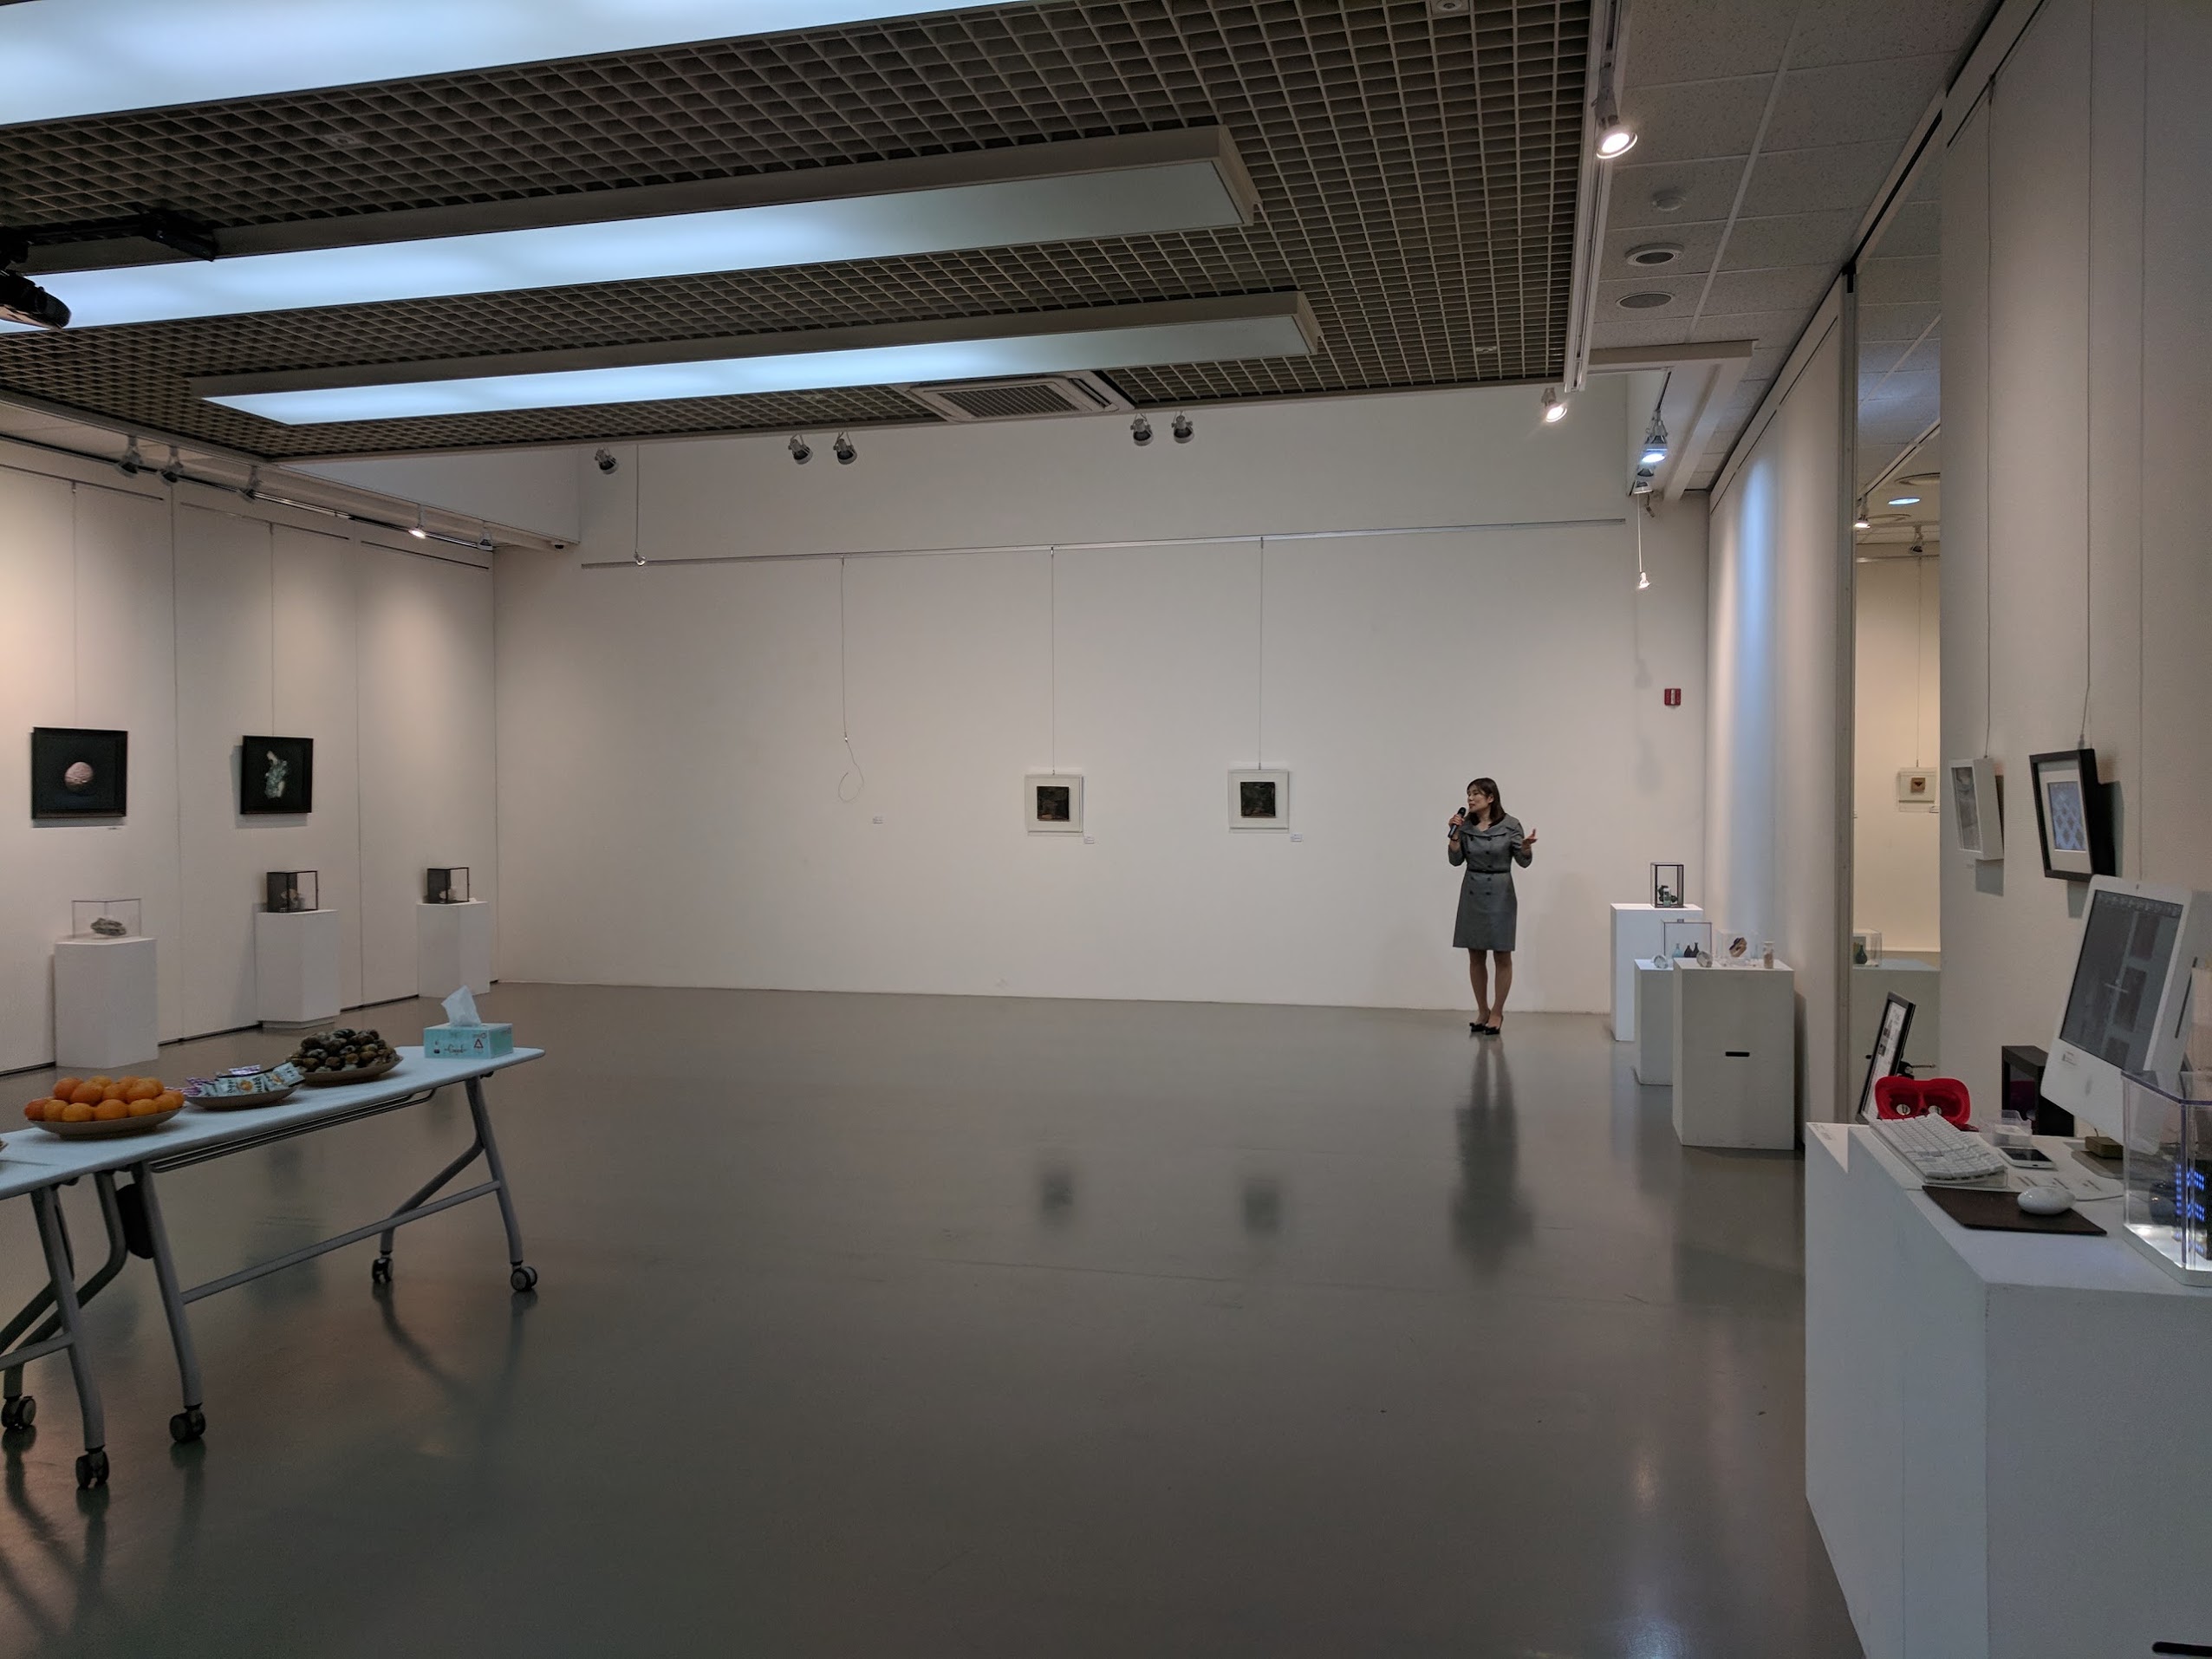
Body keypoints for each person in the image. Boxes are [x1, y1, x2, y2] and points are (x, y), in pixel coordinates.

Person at [1447, 777, 1536, 1036]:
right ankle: (1482, 1011)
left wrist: (1526, 848)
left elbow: (1523, 861)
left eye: (1476, 793)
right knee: (1475, 954)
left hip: (1500, 893)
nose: (1470, 798)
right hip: (1472, 892)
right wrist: (1454, 836)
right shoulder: (1464, 826)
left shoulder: (1511, 825)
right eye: (1468, 794)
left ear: (1490, 797)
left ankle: (1497, 1012)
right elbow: (1455, 861)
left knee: (1501, 954)